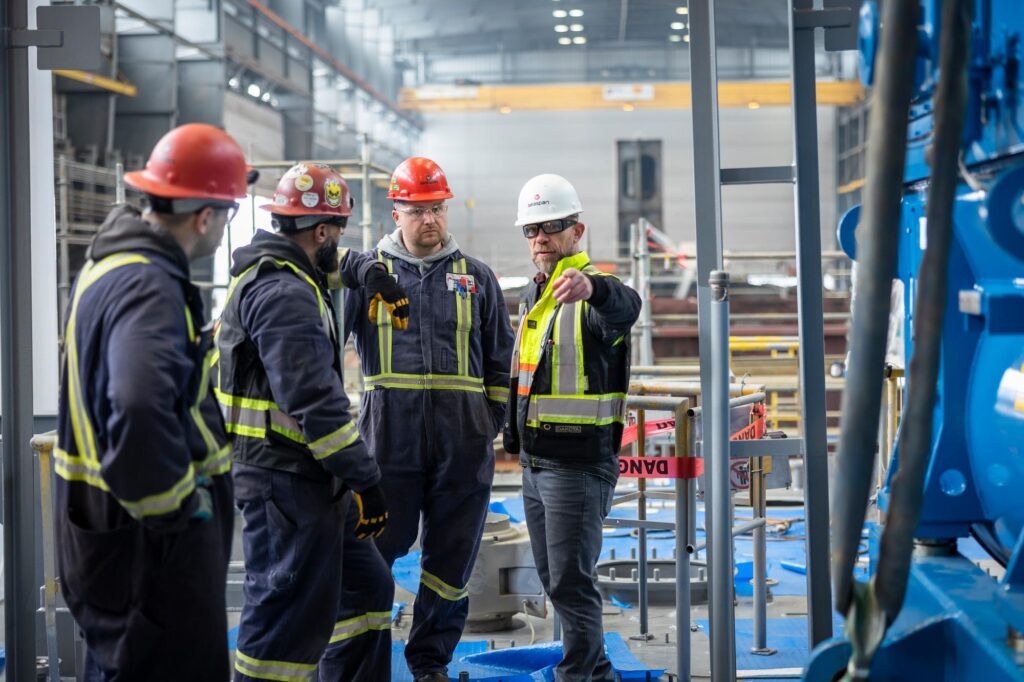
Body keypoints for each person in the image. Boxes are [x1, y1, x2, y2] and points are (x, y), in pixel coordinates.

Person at [55, 123, 249, 681]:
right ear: (205, 216)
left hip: (108, 536)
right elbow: (138, 406)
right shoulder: (149, 288)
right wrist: (173, 506)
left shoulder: (107, 265)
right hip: (148, 546)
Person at [215, 163, 410, 681]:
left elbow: (341, 265)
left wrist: (374, 275)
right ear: (320, 231)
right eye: (338, 230)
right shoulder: (284, 295)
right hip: (285, 480)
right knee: (283, 619)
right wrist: (366, 478)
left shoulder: (296, 273)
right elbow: (317, 406)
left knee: (367, 587)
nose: (340, 243)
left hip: (311, 474)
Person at [344, 156, 514, 682]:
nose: (429, 221)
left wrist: (488, 421)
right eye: (417, 211)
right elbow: (327, 346)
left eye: (436, 208)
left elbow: (499, 361)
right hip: (386, 441)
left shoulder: (476, 278)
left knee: (452, 560)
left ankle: (429, 661)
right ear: (396, 212)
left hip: (462, 443)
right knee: (371, 553)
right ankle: (362, 662)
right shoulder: (368, 276)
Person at [503, 173, 641, 682]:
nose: (540, 240)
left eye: (551, 228)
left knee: (570, 582)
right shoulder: (533, 296)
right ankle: (596, 668)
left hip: (578, 467)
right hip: (537, 465)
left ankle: (580, 676)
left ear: (576, 231)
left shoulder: (591, 294)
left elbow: (626, 306)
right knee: (555, 579)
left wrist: (595, 287)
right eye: (531, 231)